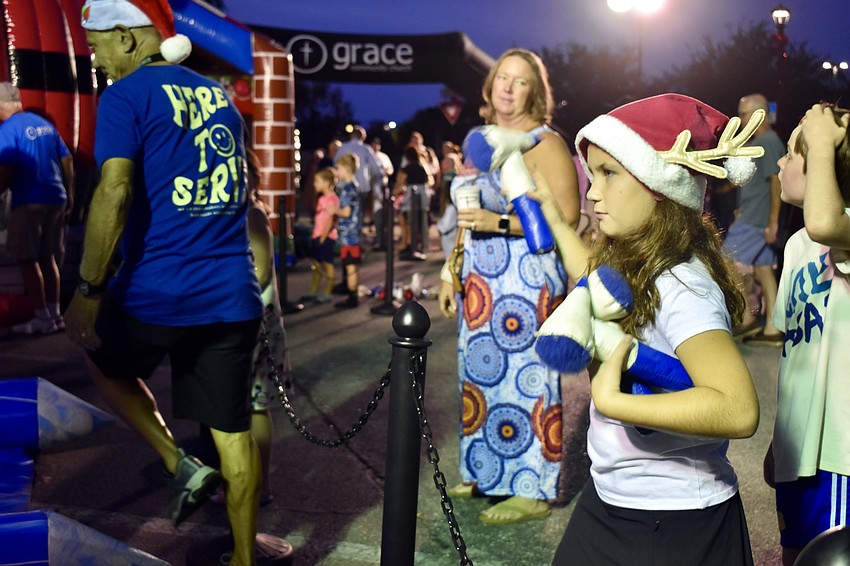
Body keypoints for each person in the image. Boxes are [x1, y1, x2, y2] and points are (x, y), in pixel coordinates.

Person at [67, 2, 262, 564]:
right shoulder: (218, 96)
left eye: (97, 45)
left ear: (126, 37)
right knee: (233, 434)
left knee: (100, 356)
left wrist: (88, 290)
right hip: (231, 293)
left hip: (158, 290)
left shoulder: (124, 96)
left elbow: (115, 192)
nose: (96, 59)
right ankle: (244, 558)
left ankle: (177, 461)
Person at [530, 93, 760, 565]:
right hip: (613, 500)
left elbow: (738, 409)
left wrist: (615, 402)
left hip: (676, 519)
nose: (593, 192)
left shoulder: (682, 284)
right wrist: (554, 218)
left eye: (609, 173)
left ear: (659, 185)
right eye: (592, 174)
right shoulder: (639, 262)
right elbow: (591, 279)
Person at [437, 48, 580, 524]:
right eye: (503, 77)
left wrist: (497, 223)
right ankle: (487, 471)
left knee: (528, 380)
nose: (508, 87)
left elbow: (568, 217)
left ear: (534, 92)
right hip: (482, 278)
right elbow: (467, 211)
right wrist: (452, 268)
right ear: (491, 83)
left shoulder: (545, 142)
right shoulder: (479, 139)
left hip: (527, 279)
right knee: (480, 374)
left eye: (520, 81)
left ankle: (532, 488)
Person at [764, 103, 850, 566]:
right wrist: (780, 440)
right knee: (794, 556)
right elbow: (794, 354)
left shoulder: (841, 229)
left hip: (836, 456)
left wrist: (819, 141)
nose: (779, 162)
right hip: (799, 449)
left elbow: (825, 221)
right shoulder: (798, 245)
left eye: (792, 154)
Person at [0, 82, 74, 334]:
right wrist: (70, 194)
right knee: (48, 257)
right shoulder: (45, 125)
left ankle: (41, 315)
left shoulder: (8, 129)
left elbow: (6, 168)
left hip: (29, 199)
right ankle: (55, 314)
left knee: (27, 258)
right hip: (56, 197)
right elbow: (67, 158)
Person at [724, 93, 786, 346]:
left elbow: (776, 182)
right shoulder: (759, 142)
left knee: (724, 260)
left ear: (759, 114)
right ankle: (772, 328)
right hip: (753, 215)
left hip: (756, 220)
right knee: (764, 269)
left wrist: (773, 222)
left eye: (744, 114)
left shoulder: (768, 141)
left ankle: (746, 318)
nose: (740, 120)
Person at [335, 125, 382, 237]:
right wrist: (378, 184)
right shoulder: (366, 149)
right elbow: (376, 168)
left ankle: (343, 237)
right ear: (363, 137)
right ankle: (355, 238)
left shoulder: (343, 148)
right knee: (357, 213)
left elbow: (335, 164)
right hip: (361, 188)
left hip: (342, 186)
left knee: (343, 212)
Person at [300, 167, 339, 304]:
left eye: (317, 181)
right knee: (316, 264)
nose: (314, 184)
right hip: (317, 236)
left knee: (328, 265)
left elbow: (330, 220)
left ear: (327, 182)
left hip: (326, 238)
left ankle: (328, 292)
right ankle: (314, 291)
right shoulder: (321, 198)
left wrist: (323, 237)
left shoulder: (332, 199)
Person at [332, 153, 362, 309]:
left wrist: (334, 210)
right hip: (353, 233)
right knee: (349, 264)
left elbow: (346, 212)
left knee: (350, 266)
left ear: (346, 168)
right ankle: (348, 288)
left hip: (349, 235)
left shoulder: (347, 189)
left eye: (338, 168)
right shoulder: (354, 186)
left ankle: (352, 296)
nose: (337, 172)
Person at [393, 145, 433, 261]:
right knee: (422, 222)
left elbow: (399, 184)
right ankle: (424, 246)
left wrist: (395, 192)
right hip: (423, 194)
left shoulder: (407, 168)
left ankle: (410, 246)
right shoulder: (423, 167)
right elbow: (430, 180)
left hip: (411, 196)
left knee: (409, 222)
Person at [370, 137, 394, 252]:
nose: (376, 146)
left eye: (377, 144)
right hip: (372, 189)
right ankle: (378, 240)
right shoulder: (368, 155)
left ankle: (383, 240)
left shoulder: (383, 156)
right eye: (374, 144)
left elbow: (390, 169)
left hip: (382, 188)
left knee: (382, 215)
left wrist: (386, 172)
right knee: (376, 216)